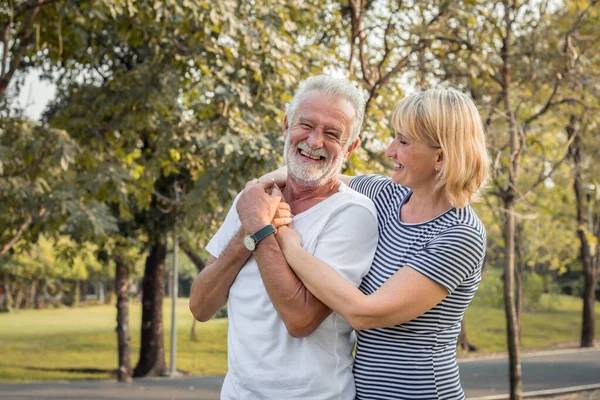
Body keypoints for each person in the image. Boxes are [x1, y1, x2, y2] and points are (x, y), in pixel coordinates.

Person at [263, 87, 490, 399]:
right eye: (394, 137)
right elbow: (313, 176)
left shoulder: (458, 234)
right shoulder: (386, 195)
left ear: (440, 157)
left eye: (404, 141)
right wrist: (259, 186)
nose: (389, 150)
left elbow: (364, 313)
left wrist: (290, 246)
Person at [189, 75, 379, 399]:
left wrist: (261, 230)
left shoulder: (352, 214)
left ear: (351, 148)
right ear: (286, 124)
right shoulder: (252, 199)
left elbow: (300, 320)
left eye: (332, 133)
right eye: (306, 125)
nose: (315, 141)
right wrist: (247, 230)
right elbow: (201, 306)